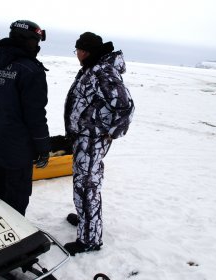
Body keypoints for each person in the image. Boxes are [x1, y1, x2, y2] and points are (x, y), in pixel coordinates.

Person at [63, 32, 134, 255]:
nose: (76, 54)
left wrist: (110, 133)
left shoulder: (102, 71)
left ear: (85, 52)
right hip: (85, 137)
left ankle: (90, 239)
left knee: (87, 186)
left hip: (92, 139)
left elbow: (125, 106)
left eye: (78, 50)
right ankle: (87, 222)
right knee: (83, 183)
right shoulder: (92, 68)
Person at [0, 20, 51, 216]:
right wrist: (42, 147)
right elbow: (35, 114)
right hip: (19, 147)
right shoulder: (31, 70)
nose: (37, 46)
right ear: (27, 40)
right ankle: (14, 238)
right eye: (36, 40)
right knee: (16, 195)